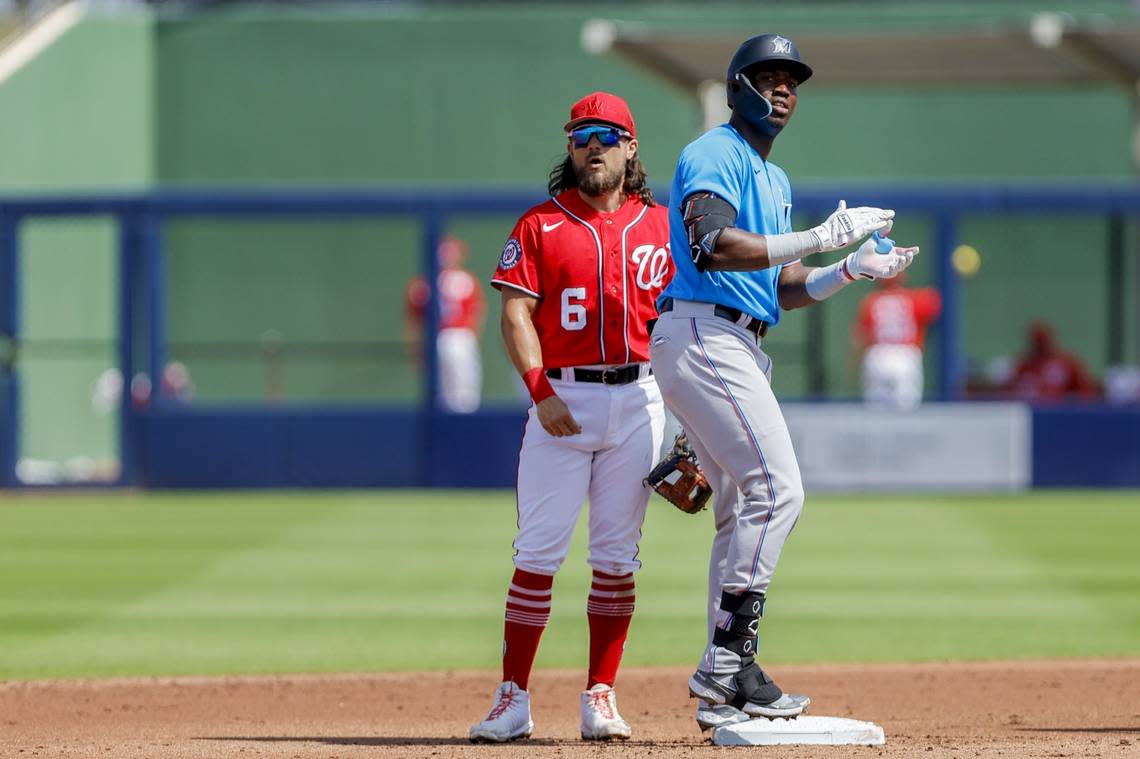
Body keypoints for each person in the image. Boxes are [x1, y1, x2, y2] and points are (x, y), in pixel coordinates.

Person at [648, 34, 917, 732]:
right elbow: (714, 243)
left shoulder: (774, 178)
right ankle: (729, 662)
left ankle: (720, 678)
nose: (782, 89)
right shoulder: (714, 151)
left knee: (741, 508)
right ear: (736, 86)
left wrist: (849, 269)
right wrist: (822, 236)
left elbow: (777, 285)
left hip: (734, 333)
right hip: (705, 329)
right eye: (767, 76)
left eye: (791, 80)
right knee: (779, 488)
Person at [469, 92, 672, 743]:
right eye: (583, 134)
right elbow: (513, 312)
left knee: (617, 556)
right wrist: (539, 388)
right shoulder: (540, 224)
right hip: (562, 398)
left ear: (631, 146)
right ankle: (513, 697)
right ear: (569, 146)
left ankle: (600, 695)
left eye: (609, 134)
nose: (595, 144)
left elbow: (686, 324)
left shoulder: (663, 228)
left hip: (641, 398)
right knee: (538, 551)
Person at [403, 234, 486, 413]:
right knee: (466, 398)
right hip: (461, 338)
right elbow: (477, 314)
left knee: (439, 398)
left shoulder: (421, 283)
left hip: (436, 339)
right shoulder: (466, 280)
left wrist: (416, 350)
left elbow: (414, 323)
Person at [852, 273, 941, 410]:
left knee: (875, 412)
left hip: (877, 355)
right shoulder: (914, 298)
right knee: (906, 411)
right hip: (905, 355)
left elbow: (860, 336)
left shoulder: (871, 301)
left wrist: (855, 362)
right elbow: (934, 306)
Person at [1005, 320, 1100, 401]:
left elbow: (1085, 392)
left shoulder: (1066, 363)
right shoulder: (1023, 365)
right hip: (1031, 413)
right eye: (1037, 342)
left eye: (1042, 341)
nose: (1040, 346)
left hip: (1060, 414)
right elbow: (1009, 393)